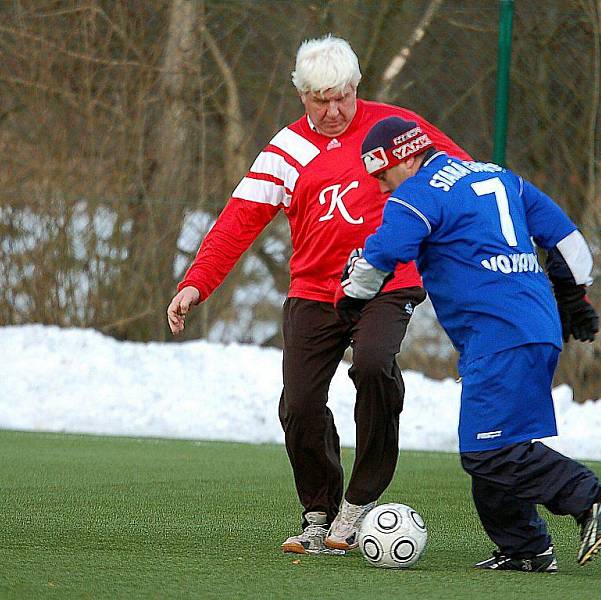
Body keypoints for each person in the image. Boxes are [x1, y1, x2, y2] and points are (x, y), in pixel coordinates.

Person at [166, 36, 470, 555]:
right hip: (314, 290)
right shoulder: (287, 150)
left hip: (386, 282)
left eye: (342, 97)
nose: (333, 111)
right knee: (300, 403)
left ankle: (361, 501)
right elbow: (238, 220)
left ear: (357, 88)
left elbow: (463, 175)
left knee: (374, 364)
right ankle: (319, 510)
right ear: (302, 96)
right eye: (320, 99)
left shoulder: (394, 129)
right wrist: (196, 282)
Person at [337, 116, 601, 572]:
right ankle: (524, 549)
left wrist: (351, 297)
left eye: (381, 175)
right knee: (496, 443)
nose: (380, 189)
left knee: (487, 451)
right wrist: (573, 295)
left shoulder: (417, 194)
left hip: (499, 334)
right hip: (535, 328)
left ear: (406, 157)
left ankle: (589, 497)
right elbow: (570, 242)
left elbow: (382, 254)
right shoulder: (498, 175)